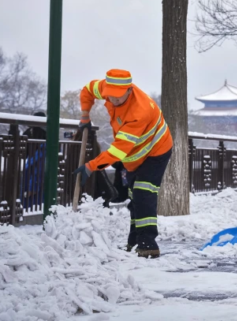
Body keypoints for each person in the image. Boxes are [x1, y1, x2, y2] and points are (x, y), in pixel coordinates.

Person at [72, 69, 172, 258]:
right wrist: (85, 115)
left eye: (118, 97)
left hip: (156, 150)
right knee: (135, 197)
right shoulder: (104, 88)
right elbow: (86, 90)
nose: (114, 100)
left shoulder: (139, 111)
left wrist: (91, 166)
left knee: (144, 192)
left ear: (129, 90)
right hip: (134, 156)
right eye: (111, 96)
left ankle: (148, 244)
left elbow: (118, 150)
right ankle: (134, 243)